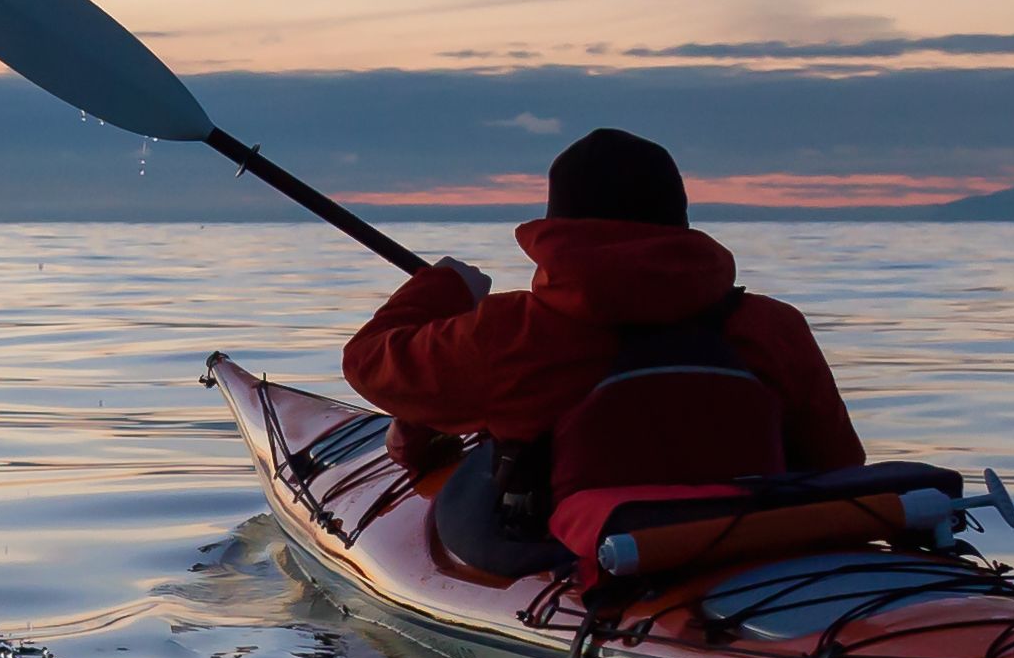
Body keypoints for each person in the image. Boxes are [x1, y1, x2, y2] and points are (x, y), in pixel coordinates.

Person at [344, 126, 864, 577]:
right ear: (679, 219)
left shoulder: (510, 333)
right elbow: (838, 463)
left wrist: (447, 287)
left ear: (554, 230)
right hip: (755, 548)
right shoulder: (775, 327)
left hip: (580, 559)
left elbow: (366, 361)